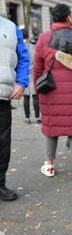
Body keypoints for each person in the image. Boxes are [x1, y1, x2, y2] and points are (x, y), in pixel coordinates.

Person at [34, 4, 72, 183]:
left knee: (51, 129)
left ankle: (50, 165)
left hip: (51, 91)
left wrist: (39, 90)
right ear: (69, 17)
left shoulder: (43, 38)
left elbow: (37, 69)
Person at [0, 16, 29, 201]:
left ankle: (0, 184)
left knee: (2, 144)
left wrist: (21, 82)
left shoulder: (10, 27)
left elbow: (23, 57)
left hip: (2, 96)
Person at [21, 28, 41, 124]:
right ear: (28, 36)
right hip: (33, 72)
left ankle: (27, 117)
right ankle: (37, 117)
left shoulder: (20, 47)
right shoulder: (34, 47)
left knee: (25, 97)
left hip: (23, 73)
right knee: (35, 96)